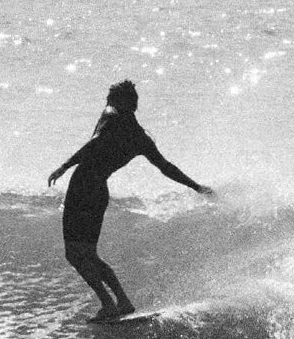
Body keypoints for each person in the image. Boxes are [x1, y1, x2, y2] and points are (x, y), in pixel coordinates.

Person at [47, 79, 210, 318]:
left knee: (74, 254)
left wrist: (63, 166)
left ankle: (108, 303)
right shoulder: (140, 138)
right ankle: (121, 301)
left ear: (120, 102)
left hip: (83, 187)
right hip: (99, 191)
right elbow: (165, 167)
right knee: (89, 254)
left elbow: (93, 146)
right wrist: (196, 187)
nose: (107, 104)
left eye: (111, 100)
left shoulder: (110, 117)